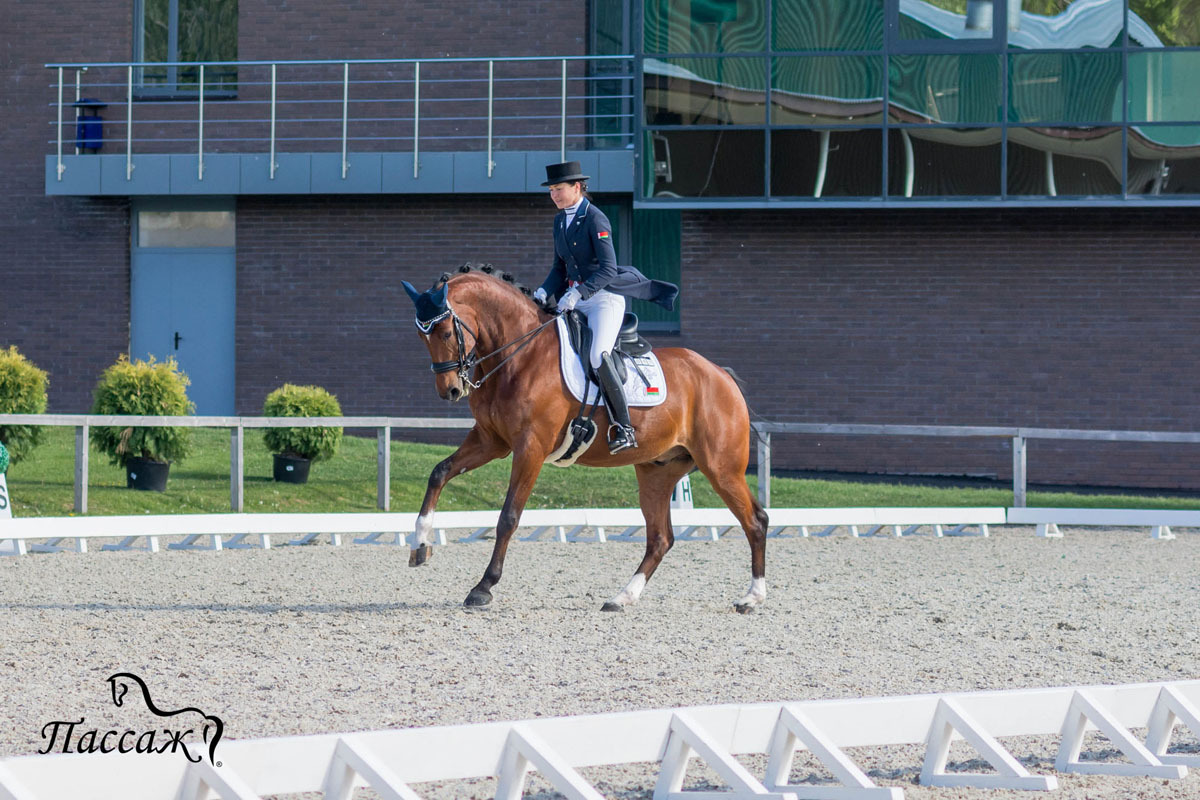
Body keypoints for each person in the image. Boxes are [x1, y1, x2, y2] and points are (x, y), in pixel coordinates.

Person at [532, 161, 679, 454]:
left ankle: (623, 427)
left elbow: (608, 269)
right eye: (551, 190)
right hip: (574, 297)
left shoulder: (596, 219)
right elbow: (558, 268)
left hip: (603, 298)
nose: (554, 196)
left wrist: (580, 293)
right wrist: (543, 291)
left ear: (577, 187)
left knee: (598, 356)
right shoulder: (560, 221)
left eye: (558, 189)